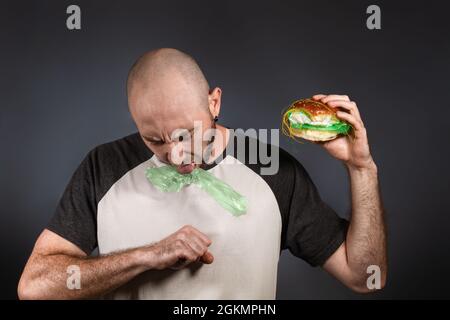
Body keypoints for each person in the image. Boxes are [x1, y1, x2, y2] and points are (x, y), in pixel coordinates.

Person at [18, 48, 386, 299]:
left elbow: (365, 276)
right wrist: (145, 256)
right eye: (154, 139)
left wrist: (361, 168)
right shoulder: (104, 166)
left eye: (185, 134)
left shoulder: (271, 168)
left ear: (214, 102)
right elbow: (34, 287)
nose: (175, 154)